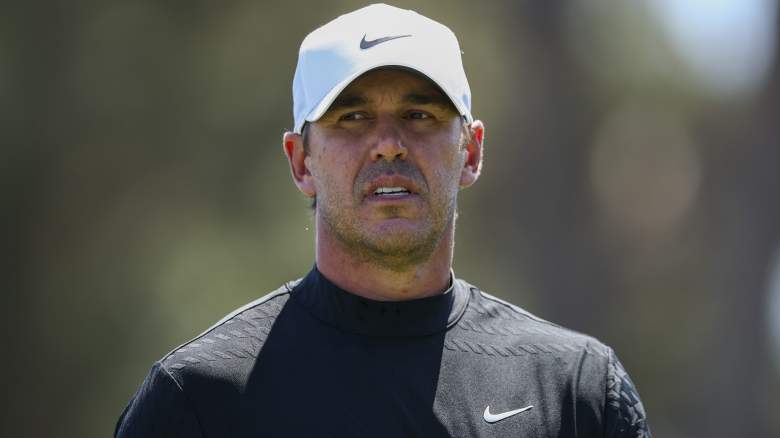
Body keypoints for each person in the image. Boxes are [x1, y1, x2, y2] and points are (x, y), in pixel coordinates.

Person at [115, 4, 650, 437]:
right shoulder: (198, 399)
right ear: (301, 162)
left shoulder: (576, 392)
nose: (389, 144)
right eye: (352, 117)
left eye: (419, 115)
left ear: (470, 151)